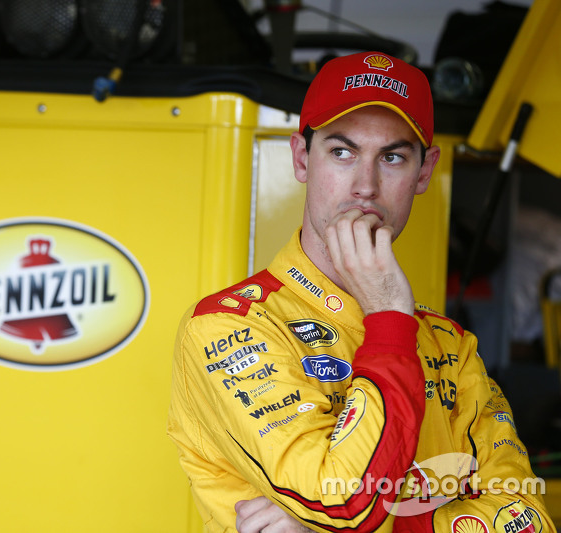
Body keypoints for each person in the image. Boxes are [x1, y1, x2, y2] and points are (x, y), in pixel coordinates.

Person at [167, 51, 553, 533]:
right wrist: (390, 319)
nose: (365, 187)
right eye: (342, 152)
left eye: (392, 157)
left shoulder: (451, 347)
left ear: (425, 171)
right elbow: (343, 504)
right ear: (301, 158)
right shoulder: (227, 328)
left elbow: (528, 521)